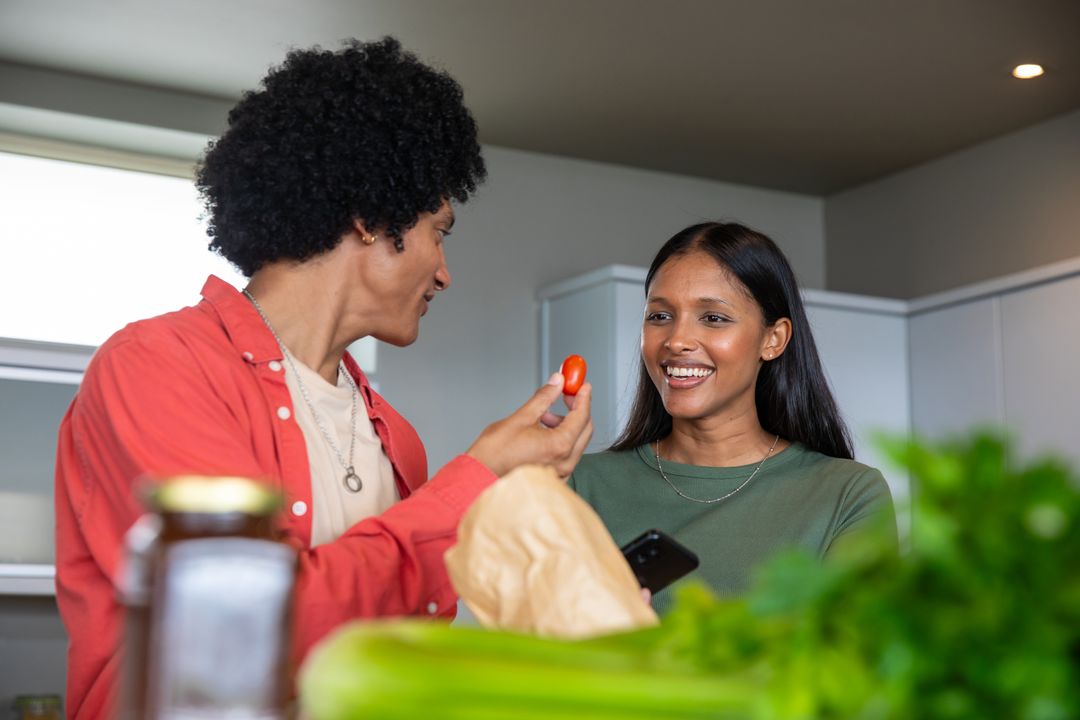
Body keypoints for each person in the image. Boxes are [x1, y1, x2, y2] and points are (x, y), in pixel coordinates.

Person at [54, 37, 593, 718]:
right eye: (440, 231)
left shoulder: (397, 440)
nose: (445, 271)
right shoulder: (155, 367)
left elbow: (392, 664)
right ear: (371, 216)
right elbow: (250, 632)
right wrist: (479, 479)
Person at [570, 221, 895, 613]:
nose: (676, 340)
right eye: (659, 316)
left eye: (713, 318)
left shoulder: (847, 495)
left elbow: (851, 665)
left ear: (773, 339)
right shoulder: (580, 484)